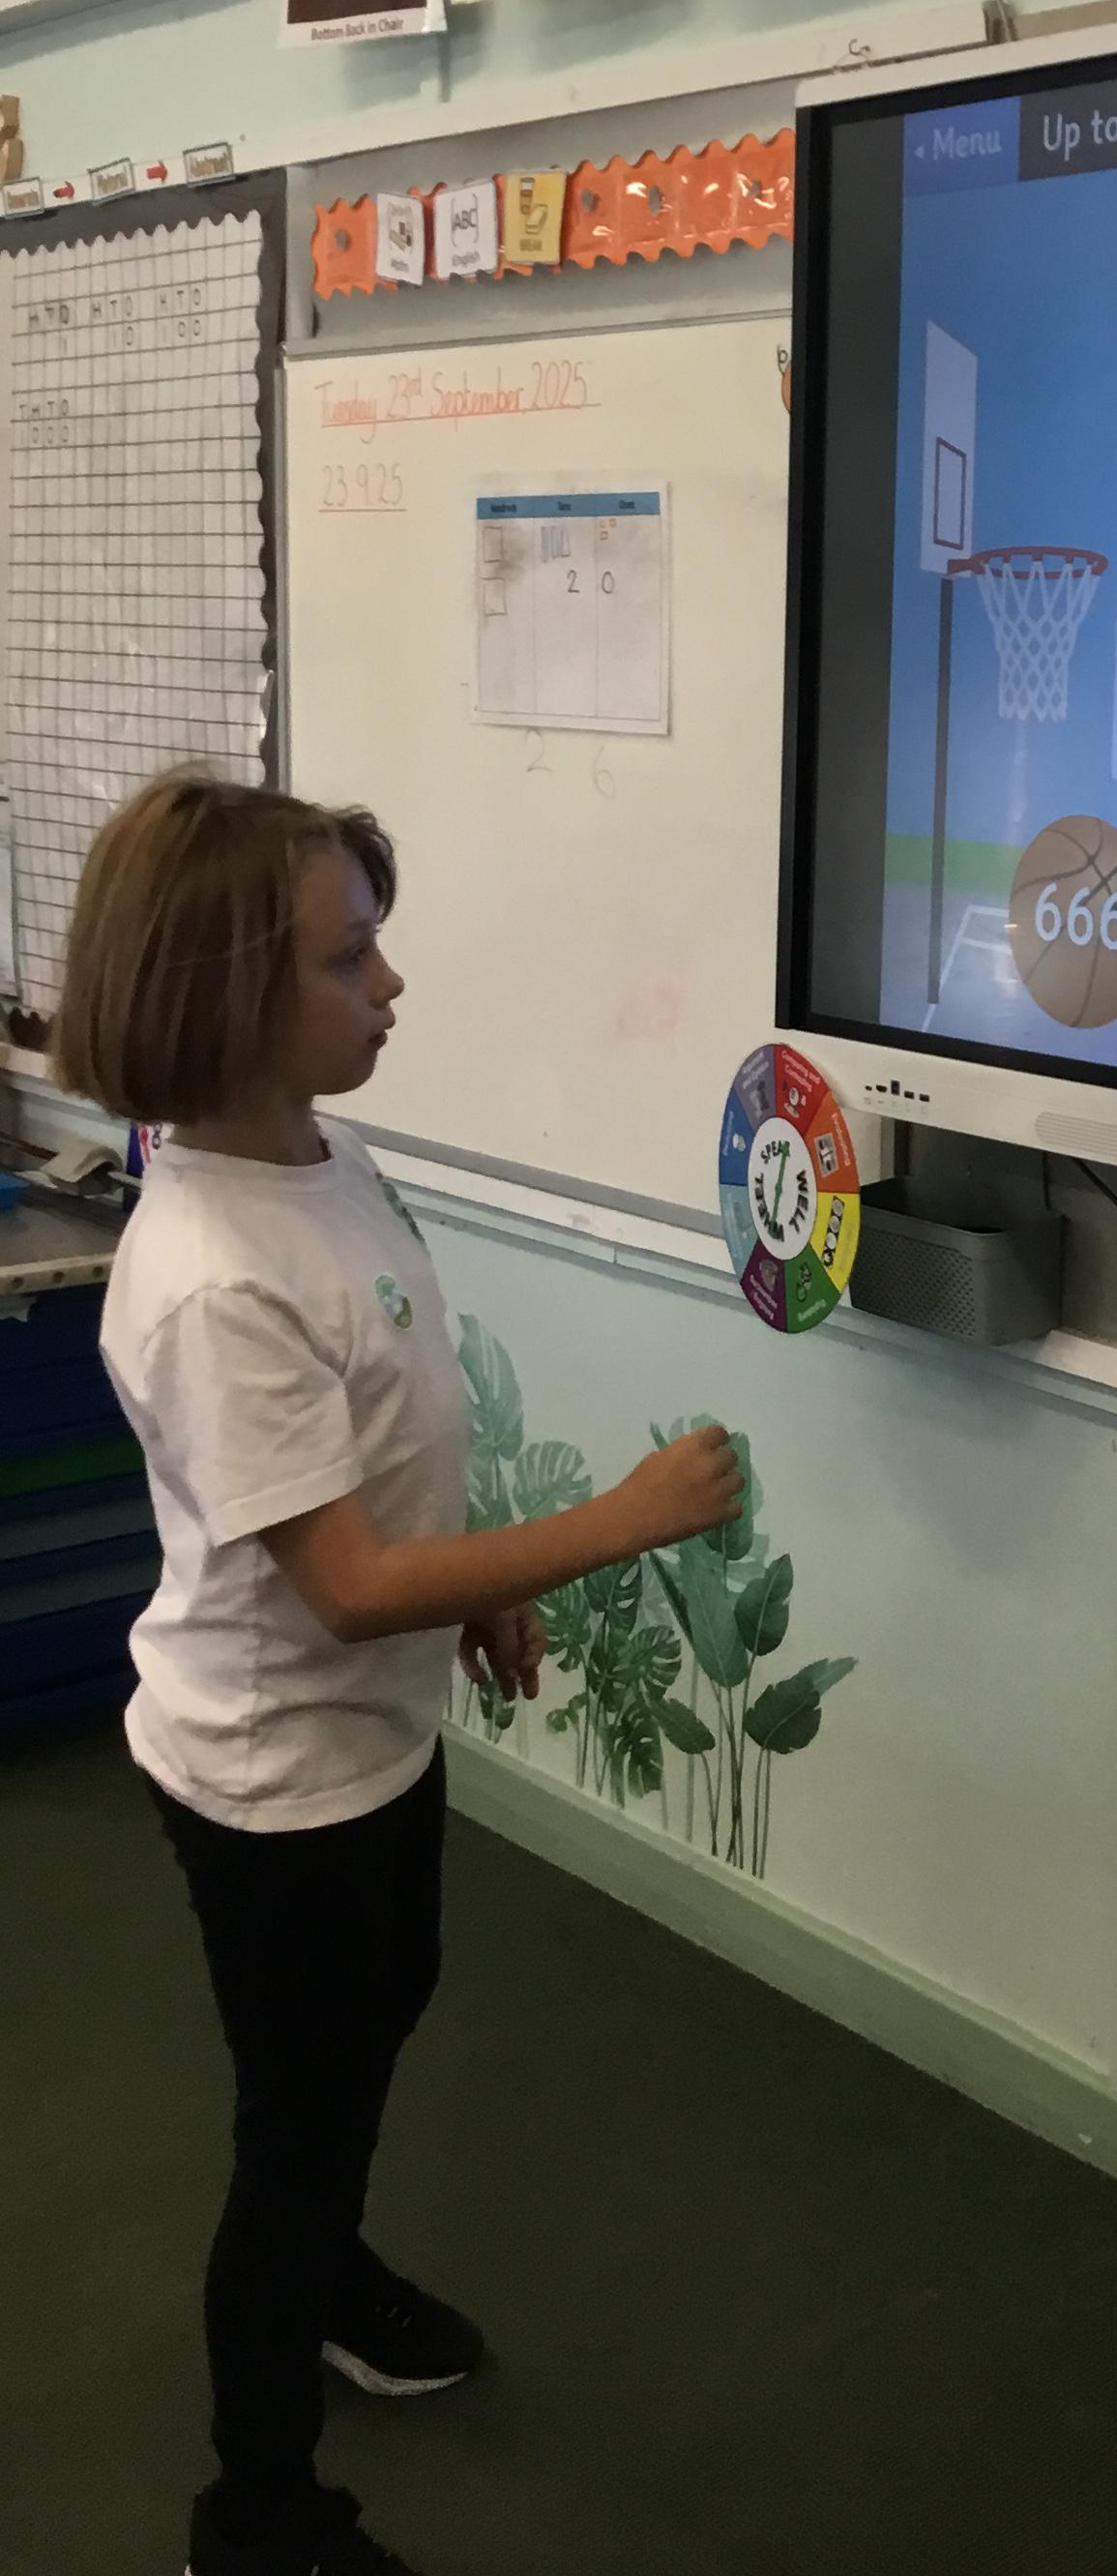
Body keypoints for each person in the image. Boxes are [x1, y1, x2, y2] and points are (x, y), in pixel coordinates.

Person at [52, 771, 744, 2576]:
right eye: (348, 957)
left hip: (375, 1737)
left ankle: (328, 2264)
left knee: (382, 2011)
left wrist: (478, 1587)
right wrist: (614, 1524)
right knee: (300, 2124)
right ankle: (257, 2510)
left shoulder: (326, 1160)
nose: (392, 985)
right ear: (227, 995)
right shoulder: (211, 1274)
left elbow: (379, 1464)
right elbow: (348, 1584)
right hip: (271, 1777)